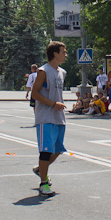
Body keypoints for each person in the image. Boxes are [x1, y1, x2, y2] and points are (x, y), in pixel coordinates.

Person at [31, 42, 68, 198]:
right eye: (63, 52)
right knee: (45, 151)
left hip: (58, 117)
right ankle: (43, 184)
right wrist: (53, 104)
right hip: (45, 117)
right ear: (55, 54)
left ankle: (41, 169)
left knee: (58, 149)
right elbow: (35, 94)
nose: (65, 55)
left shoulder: (62, 72)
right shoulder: (43, 71)